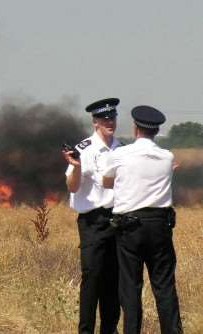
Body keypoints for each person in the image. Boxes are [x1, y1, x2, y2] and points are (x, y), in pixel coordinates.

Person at [102, 105, 183, 334]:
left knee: (130, 287)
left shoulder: (119, 155)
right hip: (160, 225)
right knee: (165, 287)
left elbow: (107, 182)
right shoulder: (167, 157)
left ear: (136, 128)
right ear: (156, 130)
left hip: (130, 227)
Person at [62, 98, 122, 334]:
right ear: (95, 122)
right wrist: (76, 168)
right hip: (93, 222)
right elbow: (73, 187)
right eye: (105, 118)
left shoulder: (122, 148)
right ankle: (86, 330)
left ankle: (110, 329)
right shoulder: (83, 149)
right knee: (92, 277)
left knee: (114, 279)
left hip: (117, 220)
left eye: (113, 117)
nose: (110, 122)